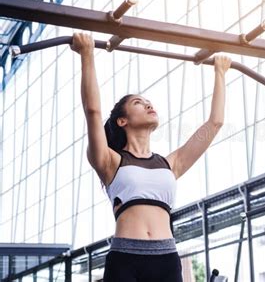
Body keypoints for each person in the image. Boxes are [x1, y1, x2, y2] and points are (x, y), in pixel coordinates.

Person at [71, 32, 231, 282]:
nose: (148, 104)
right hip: (125, 259)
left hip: (166, 259)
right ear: (122, 121)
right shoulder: (110, 161)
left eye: (148, 102)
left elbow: (215, 124)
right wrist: (87, 54)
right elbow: (93, 111)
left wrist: (220, 73)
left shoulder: (171, 164)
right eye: (138, 102)